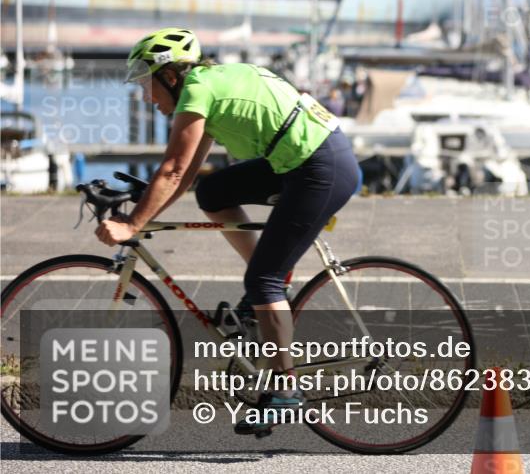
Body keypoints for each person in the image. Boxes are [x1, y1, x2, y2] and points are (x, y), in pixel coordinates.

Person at [94, 28, 359, 435]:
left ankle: (285, 391)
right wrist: (145, 204)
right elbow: (184, 176)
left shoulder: (197, 91)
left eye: (147, 84)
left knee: (263, 281)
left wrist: (132, 225)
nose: (147, 97)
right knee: (213, 192)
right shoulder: (208, 85)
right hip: (301, 160)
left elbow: (173, 169)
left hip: (320, 167)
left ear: (170, 76)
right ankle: (268, 293)